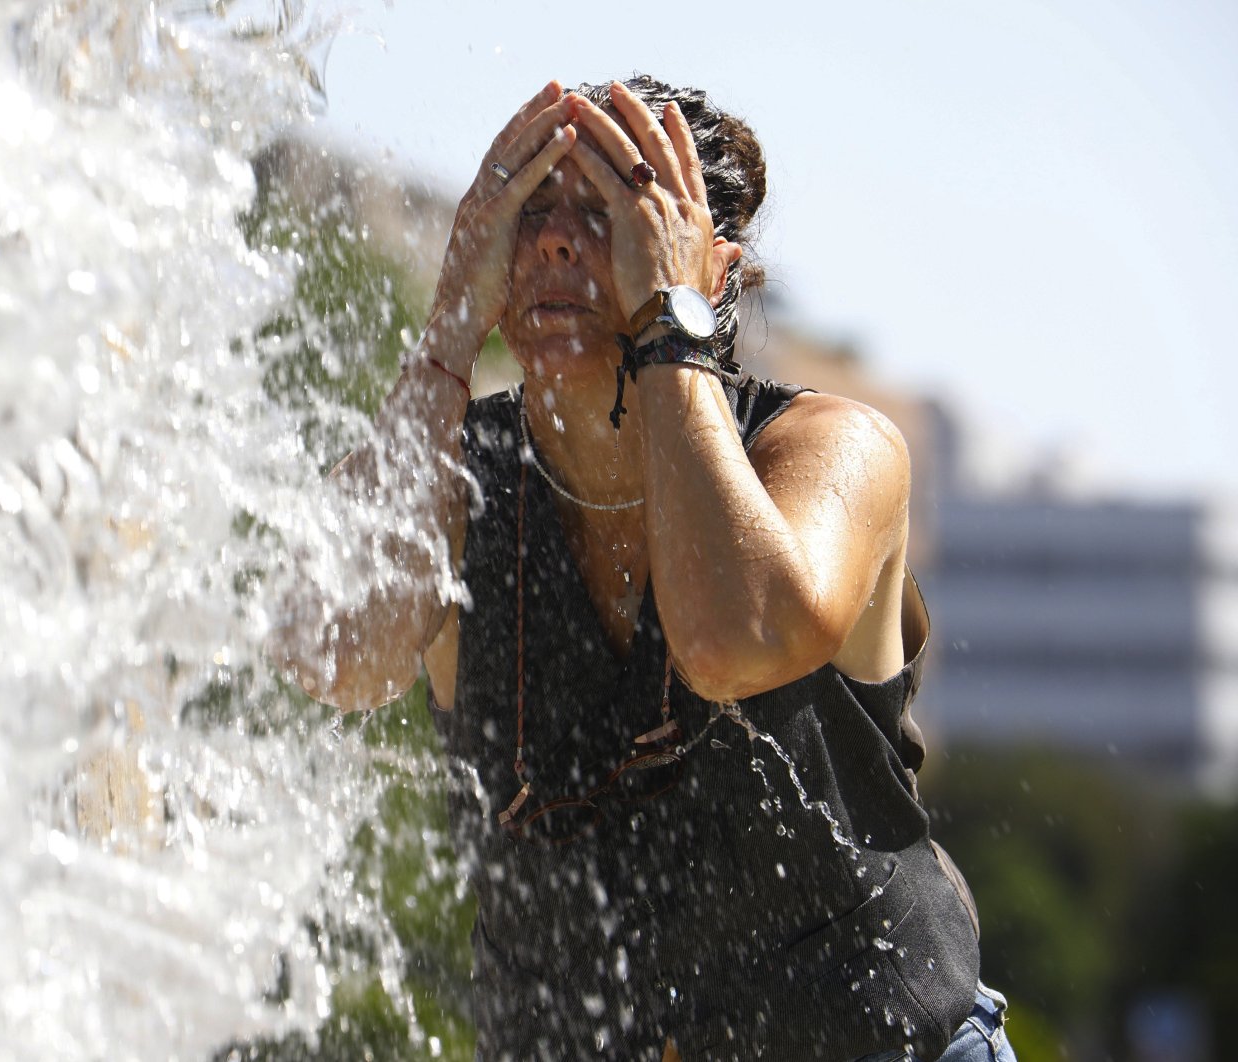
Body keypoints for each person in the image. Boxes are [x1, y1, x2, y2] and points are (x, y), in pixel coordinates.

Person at [276, 75, 1015, 1061]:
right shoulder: (450, 476)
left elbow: (730, 642)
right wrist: (447, 333)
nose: (551, 241)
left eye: (607, 213)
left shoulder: (828, 449)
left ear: (711, 264)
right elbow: (337, 659)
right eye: (528, 210)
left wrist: (672, 323)